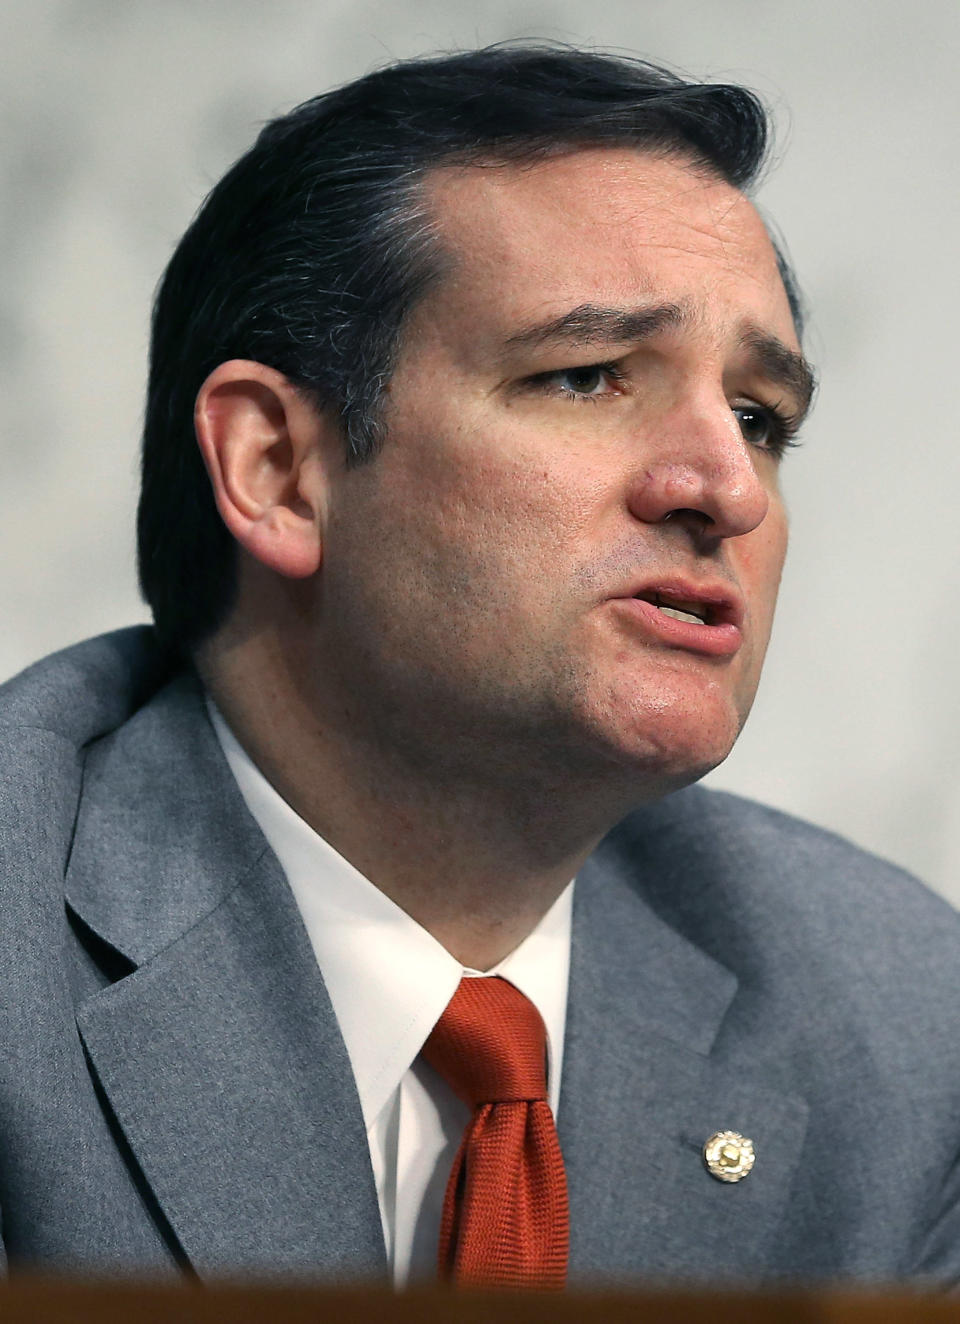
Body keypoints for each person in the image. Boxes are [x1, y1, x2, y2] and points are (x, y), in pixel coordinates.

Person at [2, 43, 960, 1291]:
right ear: (279, 471)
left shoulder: (894, 1022)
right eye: (588, 375)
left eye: (760, 419)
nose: (725, 486)